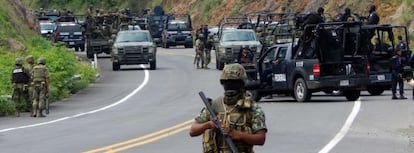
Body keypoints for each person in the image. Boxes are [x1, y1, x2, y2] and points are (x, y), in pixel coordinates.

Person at [189, 63, 267, 153]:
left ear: (241, 84)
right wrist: (209, 125)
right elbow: (193, 130)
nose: (229, 85)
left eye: (234, 82)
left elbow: (260, 139)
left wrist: (238, 135)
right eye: (226, 82)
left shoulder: (251, 108)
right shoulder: (214, 105)